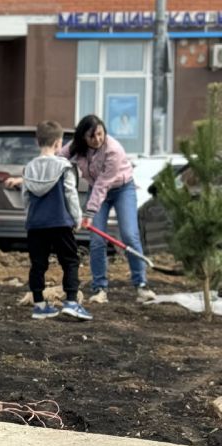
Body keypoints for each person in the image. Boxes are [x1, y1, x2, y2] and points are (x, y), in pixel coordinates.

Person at [5, 121, 90, 321]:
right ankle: (71, 302)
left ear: (37, 141)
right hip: (60, 223)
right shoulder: (65, 167)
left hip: (36, 225)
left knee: (38, 264)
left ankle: (39, 305)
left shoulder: (29, 168)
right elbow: (70, 195)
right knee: (70, 261)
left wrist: (30, 217)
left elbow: (26, 198)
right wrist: (77, 219)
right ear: (58, 143)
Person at [66, 114, 155, 304]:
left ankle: (141, 285)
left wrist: (89, 212)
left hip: (122, 189)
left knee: (129, 235)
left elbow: (103, 184)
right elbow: (57, 158)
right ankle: (100, 288)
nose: (97, 139)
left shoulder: (114, 149)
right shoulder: (76, 146)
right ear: (83, 137)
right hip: (96, 190)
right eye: (92, 136)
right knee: (97, 240)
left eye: (100, 134)